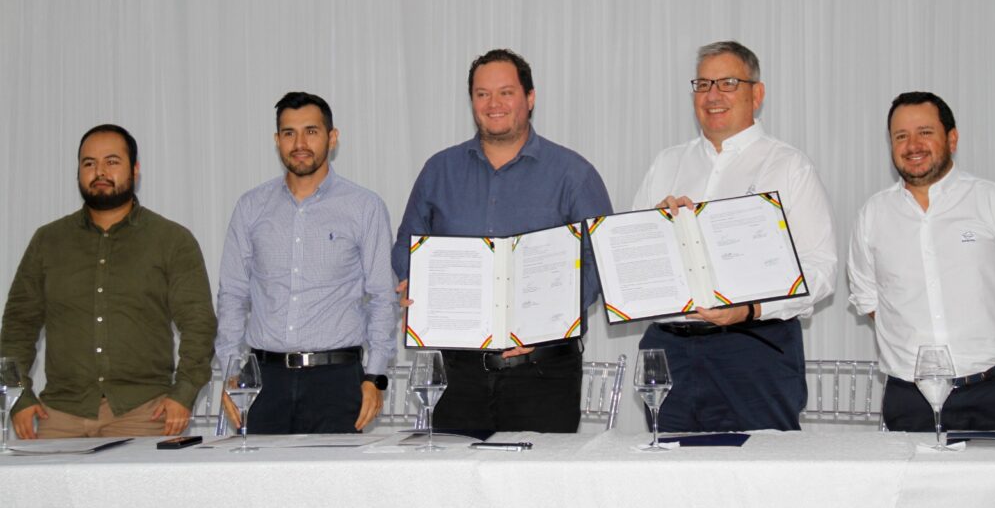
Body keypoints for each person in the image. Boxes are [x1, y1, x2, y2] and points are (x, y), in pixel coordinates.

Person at [391, 48, 612, 433]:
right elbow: (406, 250)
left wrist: (548, 320)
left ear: (530, 97)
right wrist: (416, 284)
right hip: (457, 374)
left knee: (537, 473)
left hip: (543, 373)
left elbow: (601, 263)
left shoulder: (573, 174)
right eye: (482, 94)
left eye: (506, 92)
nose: (493, 104)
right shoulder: (439, 171)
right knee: (454, 471)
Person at [632, 40, 838, 432]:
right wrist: (653, 232)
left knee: (760, 468)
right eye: (703, 84)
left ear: (756, 95)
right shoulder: (666, 164)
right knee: (669, 467)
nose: (713, 95)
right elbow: (633, 265)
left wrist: (749, 309)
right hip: (670, 349)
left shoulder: (788, 166)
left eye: (728, 83)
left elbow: (821, 270)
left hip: (753, 350)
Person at [1, 125, 216, 438]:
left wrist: (183, 394)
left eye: (112, 162)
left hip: (145, 412)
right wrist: (18, 395)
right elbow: (18, 326)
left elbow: (199, 325)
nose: (100, 172)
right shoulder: (48, 241)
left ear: (135, 170)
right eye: (89, 163)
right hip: (60, 413)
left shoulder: (171, 240)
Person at [216, 92, 396, 434]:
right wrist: (230, 371)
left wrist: (374, 376)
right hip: (264, 381)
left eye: (311, 131)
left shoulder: (364, 207)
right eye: (289, 133)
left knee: (334, 472)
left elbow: (382, 297)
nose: (300, 143)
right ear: (277, 141)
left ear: (332, 137)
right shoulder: (251, 207)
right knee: (259, 471)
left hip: (337, 381)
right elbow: (233, 295)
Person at [848, 91, 995, 431]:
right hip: (911, 398)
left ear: (952, 139)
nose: (912, 145)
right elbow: (869, 300)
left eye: (925, 132)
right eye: (901, 136)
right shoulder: (873, 215)